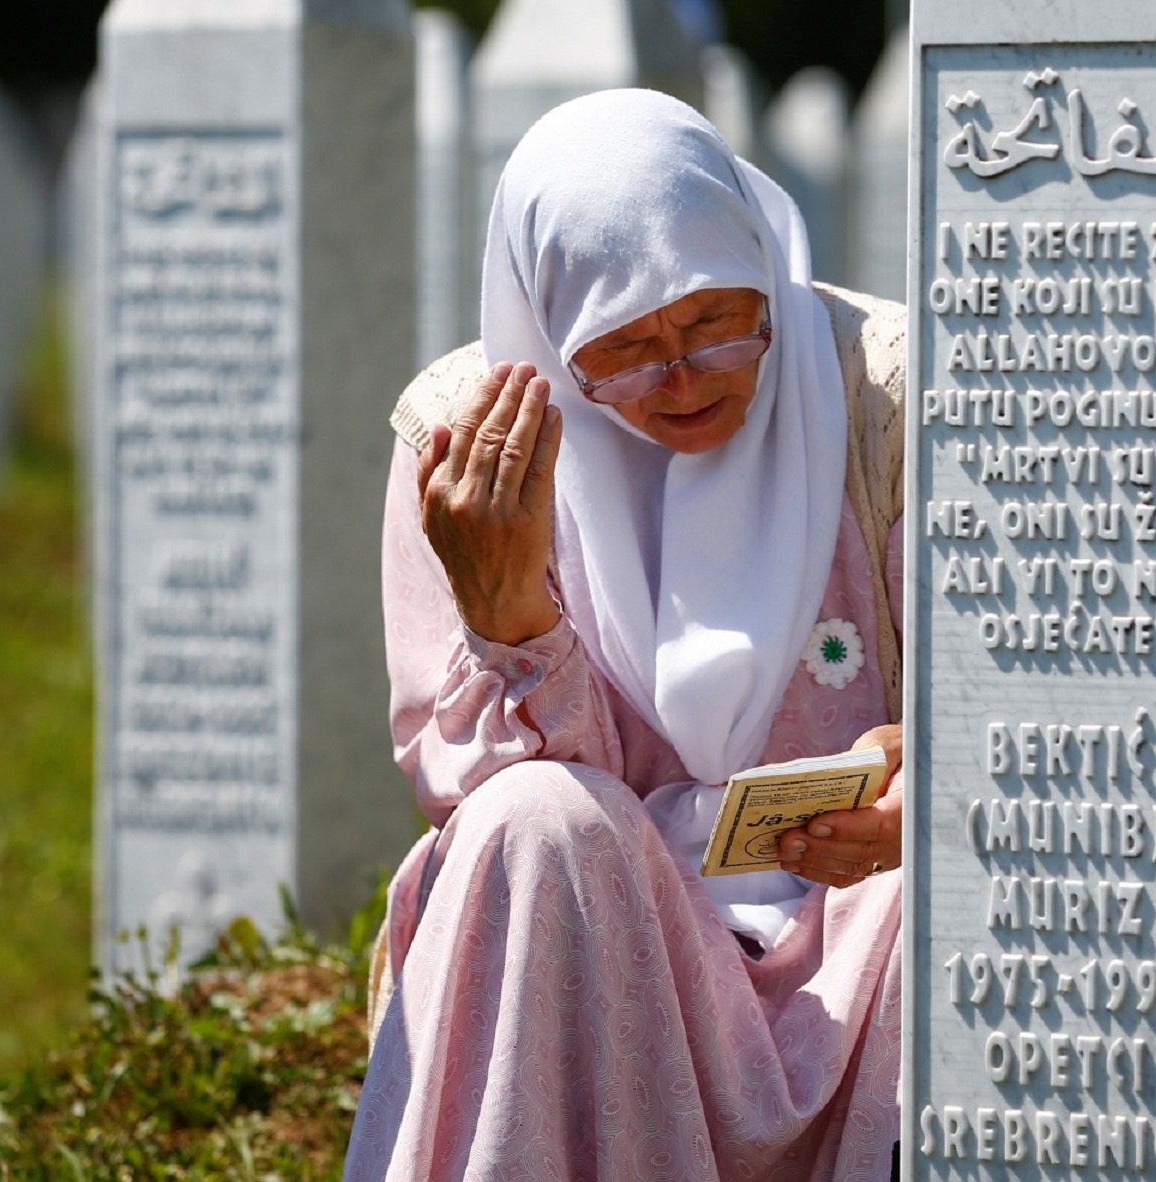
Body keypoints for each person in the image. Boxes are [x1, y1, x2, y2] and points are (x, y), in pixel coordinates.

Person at [345, 89, 908, 1181]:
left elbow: (1015, 706)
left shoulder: (883, 394)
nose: (684, 379)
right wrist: (511, 617)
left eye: (713, 323)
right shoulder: (466, 450)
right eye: (626, 351)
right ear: (552, 342)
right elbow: (470, 806)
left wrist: (913, 791)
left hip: (854, 932)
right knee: (531, 822)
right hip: (608, 942)